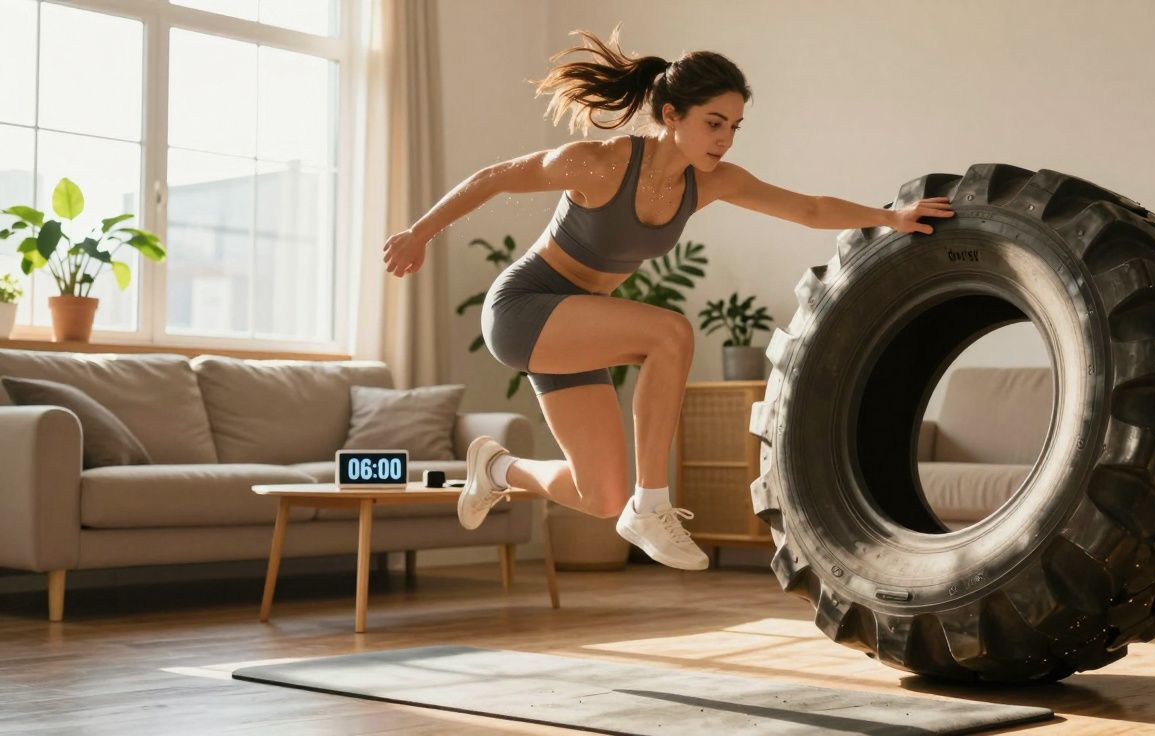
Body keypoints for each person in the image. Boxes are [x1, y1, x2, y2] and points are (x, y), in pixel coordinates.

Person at [381, 24, 954, 571]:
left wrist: (891, 217)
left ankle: (498, 468)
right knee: (670, 333)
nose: (725, 138)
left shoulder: (712, 182)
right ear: (672, 114)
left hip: (579, 328)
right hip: (524, 308)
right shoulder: (599, 164)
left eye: (734, 125)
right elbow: (495, 176)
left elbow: (806, 208)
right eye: (713, 122)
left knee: (598, 494)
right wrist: (417, 233)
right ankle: (651, 503)